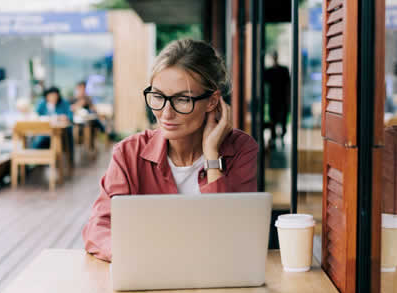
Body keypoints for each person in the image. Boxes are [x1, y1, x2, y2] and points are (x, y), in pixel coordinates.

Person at [82, 39, 258, 262]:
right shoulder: (128, 153)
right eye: (158, 97)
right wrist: (130, 255)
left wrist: (212, 155)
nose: (166, 113)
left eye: (182, 99)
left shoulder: (241, 150)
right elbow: (99, 227)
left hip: (216, 280)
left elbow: (233, 234)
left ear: (213, 101)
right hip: (148, 277)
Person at [32, 87, 74, 165]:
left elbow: (70, 117)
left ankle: (66, 161)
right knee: (38, 141)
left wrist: (65, 117)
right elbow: (35, 115)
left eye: (55, 96)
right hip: (45, 131)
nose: (53, 98)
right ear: (46, 97)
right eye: (50, 96)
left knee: (63, 137)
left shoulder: (64, 103)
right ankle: (34, 162)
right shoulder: (42, 103)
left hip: (62, 132)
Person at [264, 51, 290, 148]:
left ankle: (282, 136)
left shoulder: (284, 70)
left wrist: (288, 98)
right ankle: (274, 138)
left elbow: (288, 85)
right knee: (273, 119)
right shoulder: (269, 71)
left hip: (282, 98)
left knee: (283, 119)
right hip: (273, 99)